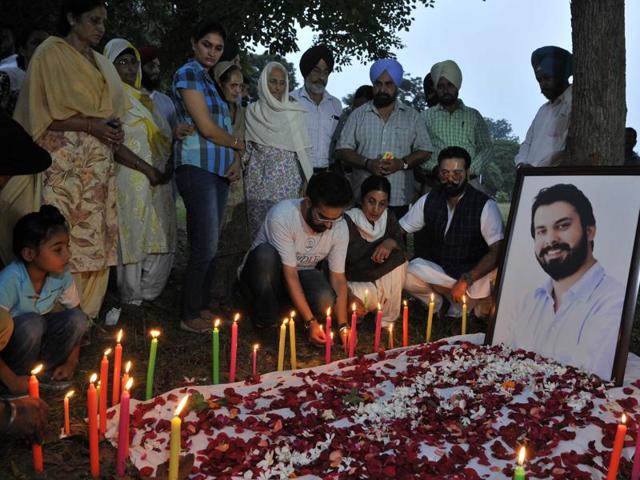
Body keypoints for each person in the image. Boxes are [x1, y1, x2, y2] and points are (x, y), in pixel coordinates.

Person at [8, 0, 151, 320]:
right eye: (93, 20)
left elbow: (111, 112)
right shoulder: (51, 53)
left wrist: (112, 130)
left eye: (103, 21)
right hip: (64, 164)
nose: (100, 27)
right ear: (72, 18)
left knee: (96, 240)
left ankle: (83, 317)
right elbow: (40, 113)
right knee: (62, 236)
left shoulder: (101, 62)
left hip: (98, 165)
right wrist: (90, 126)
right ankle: (50, 315)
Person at [493, 184, 625, 380]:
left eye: (562, 226)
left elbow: (590, 376)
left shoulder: (614, 301)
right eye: (541, 231)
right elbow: (502, 361)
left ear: (590, 231)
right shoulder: (527, 302)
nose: (550, 240)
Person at [172, 19, 244, 332]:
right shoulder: (188, 73)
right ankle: (189, 314)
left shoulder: (211, 80)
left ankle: (201, 307)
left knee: (209, 243)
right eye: (206, 45)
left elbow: (223, 127)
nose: (212, 52)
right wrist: (239, 146)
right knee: (205, 243)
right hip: (196, 166)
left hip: (218, 170)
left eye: (218, 47)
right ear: (193, 43)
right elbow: (206, 127)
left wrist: (236, 158)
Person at [239, 172, 352, 348]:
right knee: (265, 256)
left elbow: (338, 277)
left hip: (302, 273)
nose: (328, 225)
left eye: (335, 219)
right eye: (322, 217)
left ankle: (286, 308)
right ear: (308, 202)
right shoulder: (283, 215)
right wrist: (311, 323)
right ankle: (266, 320)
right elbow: (289, 273)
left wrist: (344, 325)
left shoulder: (340, 226)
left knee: (326, 301)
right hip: (268, 273)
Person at [104, 38, 177, 305]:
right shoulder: (108, 98)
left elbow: (164, 136)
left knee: (160, 232)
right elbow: (112, 143)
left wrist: (163, 166)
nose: (130, 67)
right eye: (121, 62)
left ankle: (149, 292)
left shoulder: (145, 99)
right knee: (132, 234)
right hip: (129, 176)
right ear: (108, 66)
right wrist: (146, 169)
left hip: (158, 178)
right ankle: (130, 296)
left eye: (133, 61)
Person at [402, 146, 504, 318]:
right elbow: (400, 228)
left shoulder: (485, 205)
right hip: (445, 273)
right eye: (445, 173)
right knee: (404, 271)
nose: (450, 179)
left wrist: (467, 279)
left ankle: (468, 306)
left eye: (457, 174)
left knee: (489, 296)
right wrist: (391, 242)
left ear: (467, 172)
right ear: (438, 173)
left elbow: (497, 250)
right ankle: (438, 304)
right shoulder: (429, 200)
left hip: (475, 277)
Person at [0, 205, 88, 395]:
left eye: (67, 247)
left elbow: (78, 316)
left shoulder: (61, 275)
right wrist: (12, 380)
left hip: (37, 341)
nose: (67, 255)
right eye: (58, 249)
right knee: (33, 324)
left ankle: (44, 373)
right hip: (10, 350)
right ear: (29, 254)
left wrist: (71, 362)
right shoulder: (10, 280)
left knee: (78, 319)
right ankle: (15, 380)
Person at [336, 58, 432, 218]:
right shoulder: (358, 115)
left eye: (388, 84)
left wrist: (402, 163)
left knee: (393, 242)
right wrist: (367, 163)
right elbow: (342, 150)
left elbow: (425, 150)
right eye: (378, 84)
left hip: (397, 199)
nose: (382, 89)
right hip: (362, 197)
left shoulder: (412, 116)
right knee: (360, 242)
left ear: (397, 87)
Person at [243, 61, 312, 239]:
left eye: (282, 83)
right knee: (259, 236)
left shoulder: (293, 112)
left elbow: (304, 152)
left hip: (288, 185)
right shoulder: (252, 111)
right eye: (273, 81)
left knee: (284, 235)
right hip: (258, 184)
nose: (278, 87)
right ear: (263, 83)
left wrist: (307, 181)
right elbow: (246, 151)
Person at [344, 175, 408, 327]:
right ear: (361, 199)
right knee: (357, 300)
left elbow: (401, 247)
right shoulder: (348, 221)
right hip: (355, 282)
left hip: (381, 283)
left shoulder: (388, 217)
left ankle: (386, 320)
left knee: (400, 259)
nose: (376, 210)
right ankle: (360, 314)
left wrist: (390, 242)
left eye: (382, 204)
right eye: (371, 201)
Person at [422, 60, 492, 191]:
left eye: (450, 85)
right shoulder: (425, 117)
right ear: (436, 88)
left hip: (470, 182)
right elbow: (419, 151)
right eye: (441, 86)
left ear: (457, 86)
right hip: (436, 183)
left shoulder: (473, 115)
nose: (446, 90)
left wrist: (469, 171)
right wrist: (436, 169)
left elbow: (487, 148)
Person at [213, 60, 250, 257]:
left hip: (236, 179)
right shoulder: (211, 110)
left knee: (234, 236)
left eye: (240, 86)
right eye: (232, 85)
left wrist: (238, 159)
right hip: (215, 175)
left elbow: (242, 143)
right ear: (220, 84)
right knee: (211, 233)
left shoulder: (242, 112)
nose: (237, 91)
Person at [514, 46, 572, 167]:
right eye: (539, 80)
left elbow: (564, 151)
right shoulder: (543, 110)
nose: (542, 84)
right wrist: (521, 163)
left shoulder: (574, 104)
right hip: (531, 176)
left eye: (547, 78)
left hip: (553, 177)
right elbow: (527, 143)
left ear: (561, 75)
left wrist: (534, 168)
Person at [290, 45, 342, 174]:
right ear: (306, 72)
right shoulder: (290, 100)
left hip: (325, 175)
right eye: (316, 71)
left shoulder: (335, 105)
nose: (321, 78)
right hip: (295, 173)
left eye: (325, 72)